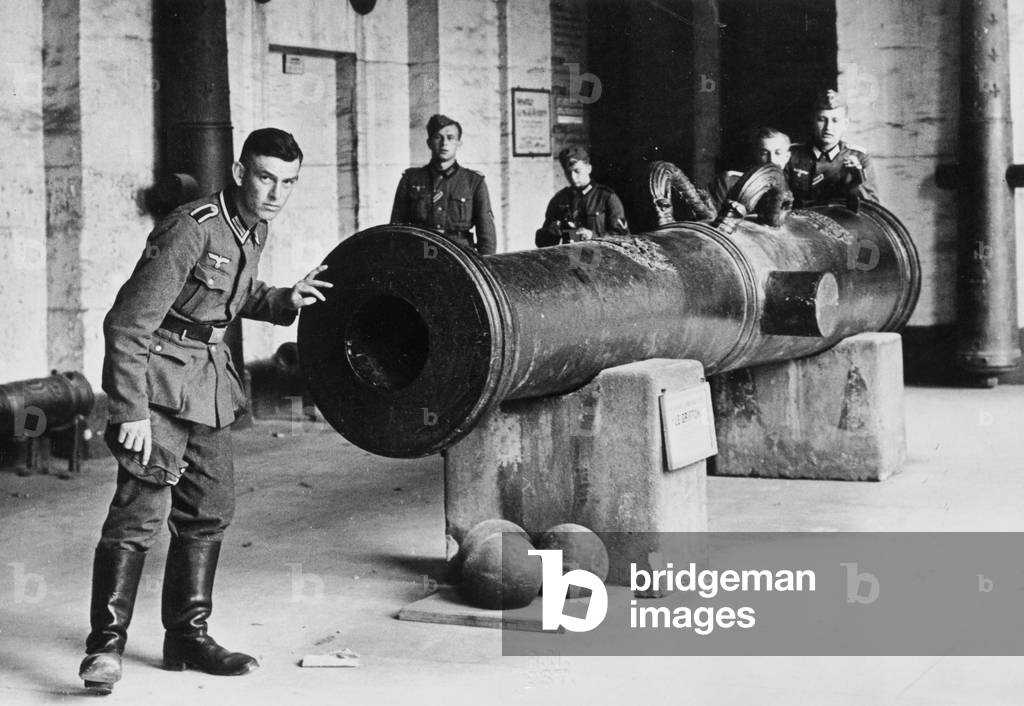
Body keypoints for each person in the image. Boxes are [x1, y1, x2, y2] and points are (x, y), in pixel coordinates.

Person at [79, 128, 332, 694]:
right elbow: (126, 323)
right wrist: (130, 410)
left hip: (208, 385)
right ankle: (106, 648)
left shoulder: (251, 227)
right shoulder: (190, 228)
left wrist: (282, 300)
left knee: (210, 508)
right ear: (241, 173)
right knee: (139, 513)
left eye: (287, 183)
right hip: (159, 386)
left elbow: (229, 298)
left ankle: (187, 636)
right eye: (265, 177)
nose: (274, 193)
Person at [390, 113, 497, 255]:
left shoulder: (473, 182)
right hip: (419, 255)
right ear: (429, 143)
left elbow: (487, 237)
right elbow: (396, 230)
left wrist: (484, 269)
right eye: (438, 137)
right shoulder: (410, 180)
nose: (444, 143)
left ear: (459, 143)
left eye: (450, 138)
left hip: (460, 257)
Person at [785, 89, 877, 207]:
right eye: (822, 120)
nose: (828, 127)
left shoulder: (859, 157)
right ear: (813, 121)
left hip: (839, 223)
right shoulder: (792, 155)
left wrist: (855, 181)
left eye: (835, 121)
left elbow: (871, 208)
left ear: (845, 124)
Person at [535, 145, 628, 247]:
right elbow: (542, 244)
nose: (573, 177)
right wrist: (550, 233)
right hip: (569, 258)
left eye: (577, 171)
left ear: (589, 168)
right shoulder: (559, 199)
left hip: (601, 258)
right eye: (568, 173)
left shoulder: (607, 197)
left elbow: (624, 239)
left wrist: (594, 236)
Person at [707, 127, 792, 210]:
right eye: (764, 153)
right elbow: (708, 219)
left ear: (787, 157)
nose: (772, 160)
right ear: (756, 155)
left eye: (778, 153)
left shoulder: (787, 186)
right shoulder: (729, 181)